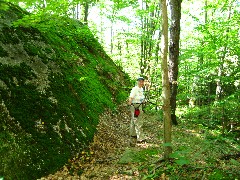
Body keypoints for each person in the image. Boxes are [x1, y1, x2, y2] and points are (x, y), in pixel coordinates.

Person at [128, 77, 146, 143]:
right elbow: (131, 97)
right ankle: (140, 138)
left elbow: (141, 98)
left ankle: (133, 134)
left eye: (142, 81)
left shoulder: (141, 89)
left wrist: (143, 101)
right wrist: (130, 104)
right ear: (137, 82)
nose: (141, 83)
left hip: (139, 105)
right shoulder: (135, 89)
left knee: (134, 120)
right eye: (140, 81)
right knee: (138, 121)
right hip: (135, 106)